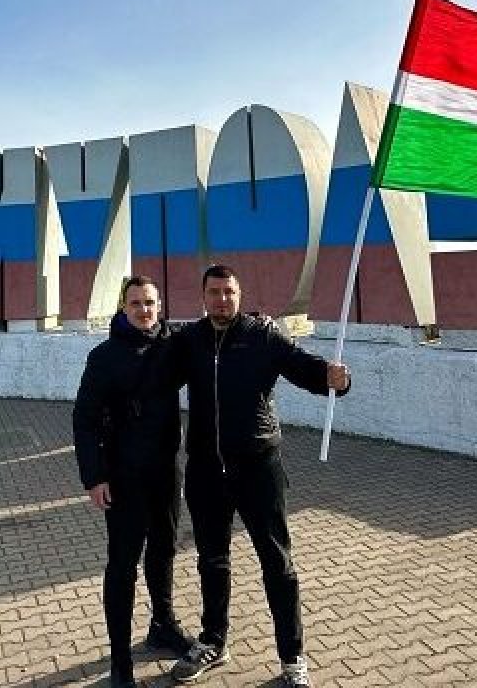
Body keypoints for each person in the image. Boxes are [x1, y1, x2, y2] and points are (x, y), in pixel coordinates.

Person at [168, 264, 349, 688]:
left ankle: (292, 658)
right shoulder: (190, 341)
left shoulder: (263, 336)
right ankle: (213, 642)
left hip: (258, 467)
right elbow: (153, 370)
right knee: (212, 561)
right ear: (204, 296)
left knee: (277, 564)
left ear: (239, 293)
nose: (223, 300)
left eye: (229, 292)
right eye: (214, 292)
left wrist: (334, 379)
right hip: (206, 470)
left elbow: (304, 368)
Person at [73, 276, 196, 688]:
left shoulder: (173, 345)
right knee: (123, 565)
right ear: (123, 308)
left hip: (164, 469)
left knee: (163, 550)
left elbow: (216, 340)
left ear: (160, 306)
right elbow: (85, 420)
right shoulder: (103, 356)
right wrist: (94, 477)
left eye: (150, 303)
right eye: (136, 304)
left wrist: (256, 325)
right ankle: (121, 660)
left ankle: (162, 624)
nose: (144, 310)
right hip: (123, 475)